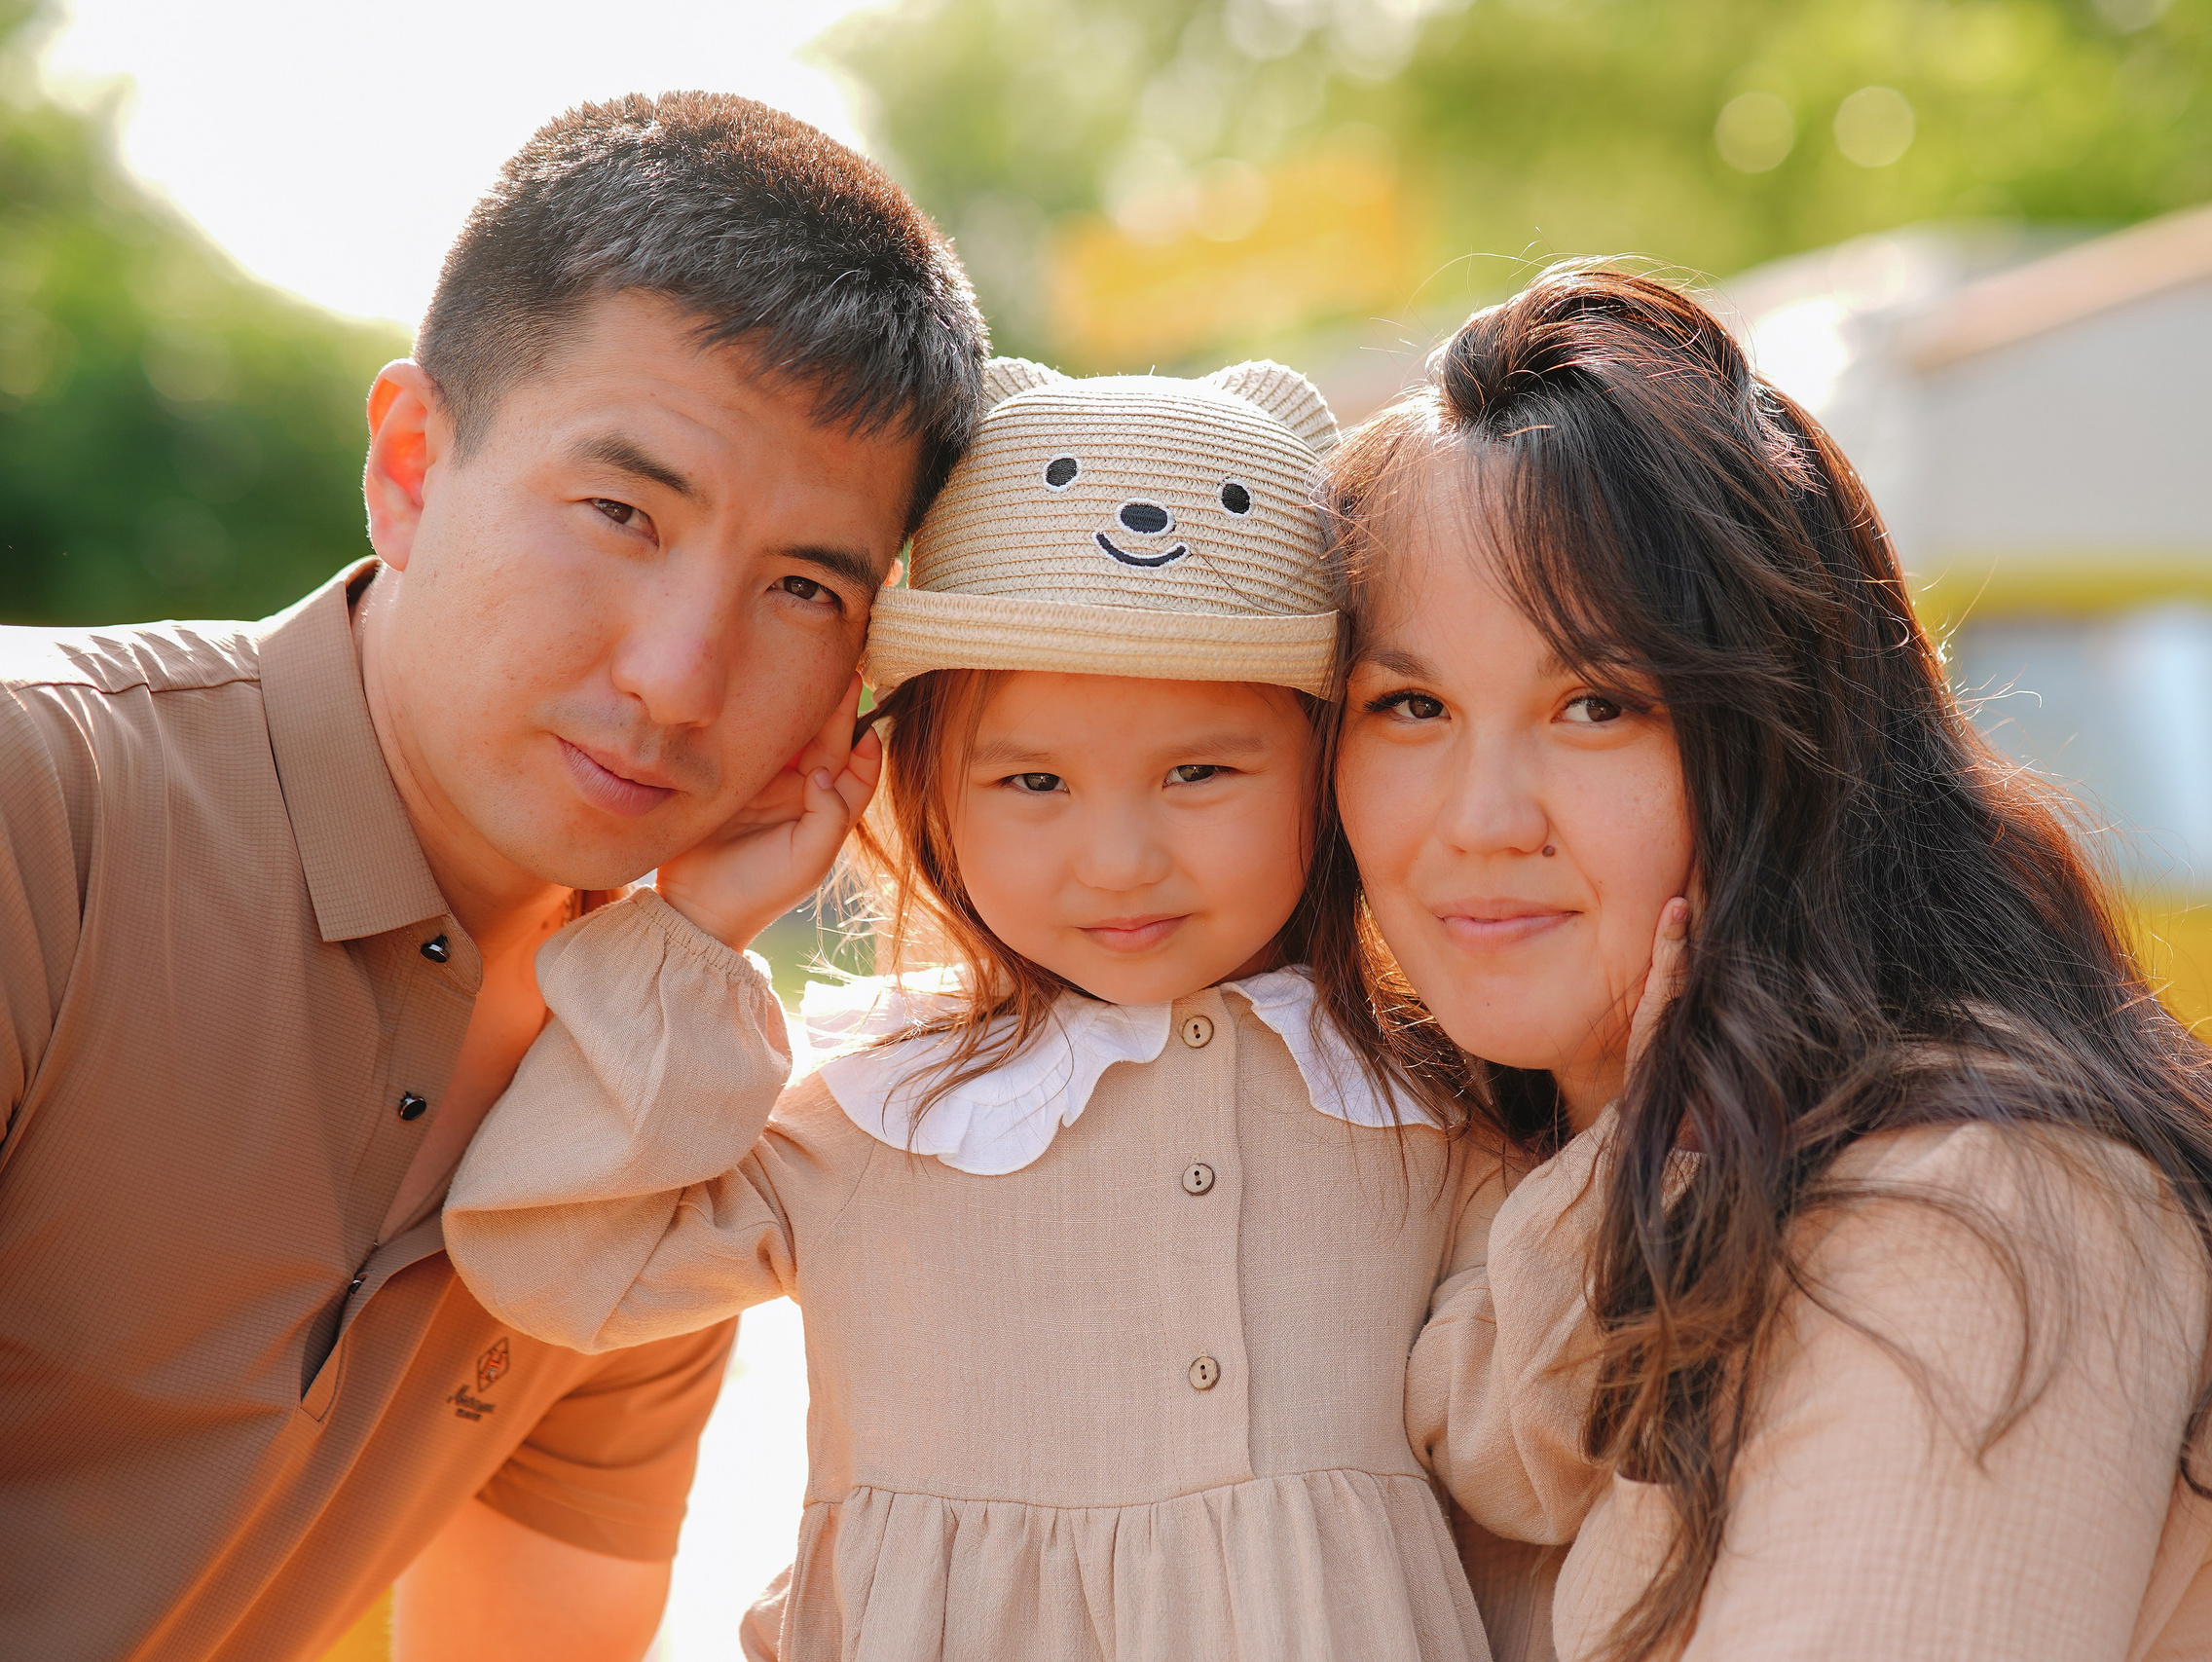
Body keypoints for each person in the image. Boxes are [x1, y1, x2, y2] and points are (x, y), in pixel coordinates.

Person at [1320, 265, 2212, 1660]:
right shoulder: (1469, 1212)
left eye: (1597, 704)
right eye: (1410, 705)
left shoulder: (1973, 1209)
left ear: (1787, 744)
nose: (1480, 820)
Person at [0, 92, 983, 1662]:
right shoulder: (40, 809)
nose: (679, 679)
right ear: (409, 464)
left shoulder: (657, 1107)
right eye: (621, 512)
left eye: (804, 588)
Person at [441, 357, 1551, 1661]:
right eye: (1034, 783)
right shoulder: (889, 1110)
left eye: (1200, 772)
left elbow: (1518, 1457)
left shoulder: (1418, 1103)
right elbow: (557, 1261)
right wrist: (696, 931)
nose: (1118, 861)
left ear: (1326, 772)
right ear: (929, 792)